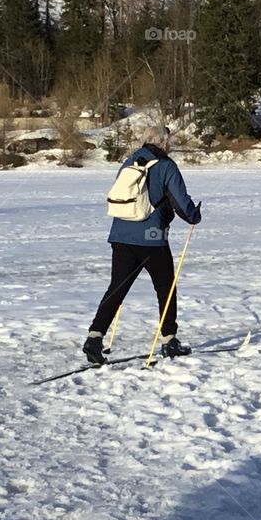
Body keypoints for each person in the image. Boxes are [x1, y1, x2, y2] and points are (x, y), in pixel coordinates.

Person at [83, 125, 202, 364]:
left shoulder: (129, 161)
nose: (169, 146)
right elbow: (181, 202)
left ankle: (94, 338)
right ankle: (169, 341)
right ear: (163, 143)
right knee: (166, 289)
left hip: (120, 235)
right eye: (168, 142)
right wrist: (194, 216)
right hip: (152, 238)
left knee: (117, 288)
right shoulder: (167, 166)